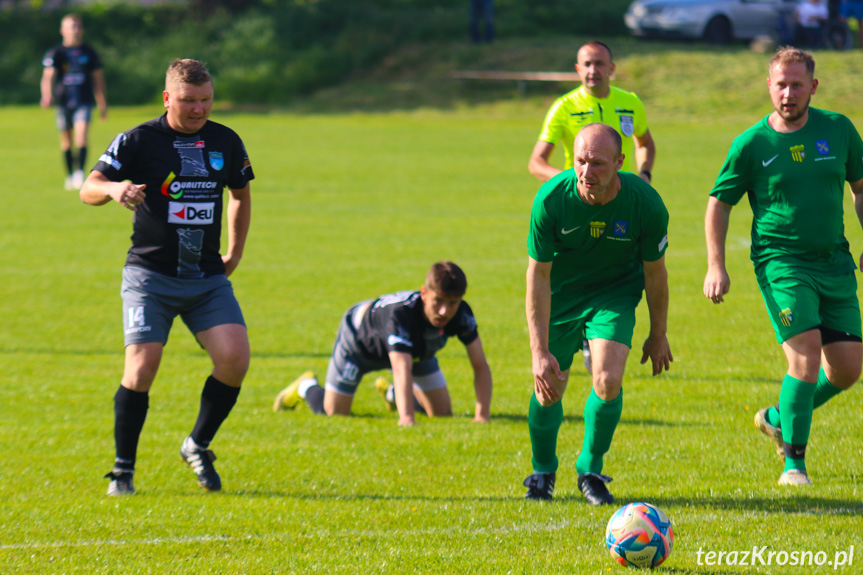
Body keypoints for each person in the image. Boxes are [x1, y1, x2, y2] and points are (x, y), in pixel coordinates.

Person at [80, 59, 254, 496]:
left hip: (205, 276)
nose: (198, 110)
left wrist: (235, 251)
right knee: (142, 367)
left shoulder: (225, 140)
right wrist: (115, 189)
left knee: (234, 360)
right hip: (150, 276)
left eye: (206, 100)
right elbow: (89, 186)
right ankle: (123, 471)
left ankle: (197, 444)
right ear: (167, 98)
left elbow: (240, 194)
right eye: (188, 101)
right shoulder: (140, 140)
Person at [704, 48, 863, 486]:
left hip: (834, 261)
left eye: (796, 85)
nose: (788, 93)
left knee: (848, 369)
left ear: (813, 86)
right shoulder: (752, 144)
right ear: (768, 86)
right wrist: (715, 265)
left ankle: (777, 416)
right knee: (805, 359)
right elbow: (718, 204)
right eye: (780, 84)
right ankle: (794, 464)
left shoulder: (840, 130)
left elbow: (860, 187)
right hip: (781, 263)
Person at [522, 123, 672, 504]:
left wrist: (658, 334)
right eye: (580, 161)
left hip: (614, 295)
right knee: (549, 390)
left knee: (607, 379)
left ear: (621, 162)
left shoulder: (646, 204)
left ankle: (590, 469)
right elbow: (537, 274)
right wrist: (539, 351)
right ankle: (542, 472)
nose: (587, 172)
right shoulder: (552, 199)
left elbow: (655, 272)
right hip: (559, 297)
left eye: (598, 164)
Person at [528, 41, 657, 374]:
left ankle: (598, 329)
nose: (592, 70)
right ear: (577, 69)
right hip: (577, 208)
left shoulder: (630, 103)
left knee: (616, 267)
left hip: (621, 203)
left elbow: (644, 142)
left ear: (611, 68)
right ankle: (584, 333)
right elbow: (537, 162)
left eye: (599, 63)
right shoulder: (564, 107)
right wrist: (572, 182)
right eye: (586, 64)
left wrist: (643, 175)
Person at [273, 261, 493, 426]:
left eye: (452, 303)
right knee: (335, 412)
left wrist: (481, 416)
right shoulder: (400, 314)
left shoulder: (462, 314)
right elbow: (400, 367)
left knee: (442, 413)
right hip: (359, 344)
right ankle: (305, 386)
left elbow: (480, 364)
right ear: (424, 293)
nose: (445, 311)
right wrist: (406, 419)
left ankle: (392, 393)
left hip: (417, 352)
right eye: (438, 301)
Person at [40, 13, 108, 191]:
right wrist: (47, 95)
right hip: (63, 101)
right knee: (67, 141)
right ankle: (69, 175)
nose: (75, 30)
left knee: (82, 136)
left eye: (78, 26)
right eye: (72, 27)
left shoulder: (89, 52)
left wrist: (102, 103)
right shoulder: (56, 52)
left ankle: (79, 173)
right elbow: (48, 77)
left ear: (82, 30)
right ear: (63, 30)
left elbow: (98, 80)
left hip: (83, 100)